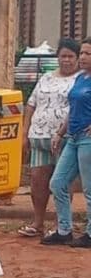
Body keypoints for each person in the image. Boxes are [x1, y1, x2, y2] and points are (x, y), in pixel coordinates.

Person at [17, 39, 79, 238]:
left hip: (65, 139)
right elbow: (31, 104)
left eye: (71, 57)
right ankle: (38, 222)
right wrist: (25, 132)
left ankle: (62, 225)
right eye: (63, 56)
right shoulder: (45, 78)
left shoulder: (81, 80)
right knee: (37, 181)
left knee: (61, 184)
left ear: (77, 59)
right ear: (57, 57)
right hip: (39, 137)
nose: (66, 60)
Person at [43, 39, 91, 248]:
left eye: (88, 54)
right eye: (82, 53)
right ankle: (64, 230)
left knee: (89, 189)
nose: (82, 57)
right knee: (58, 183)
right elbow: (72, 109)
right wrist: (59, 133)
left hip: (88, 139)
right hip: (73, 137)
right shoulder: (81, 78)